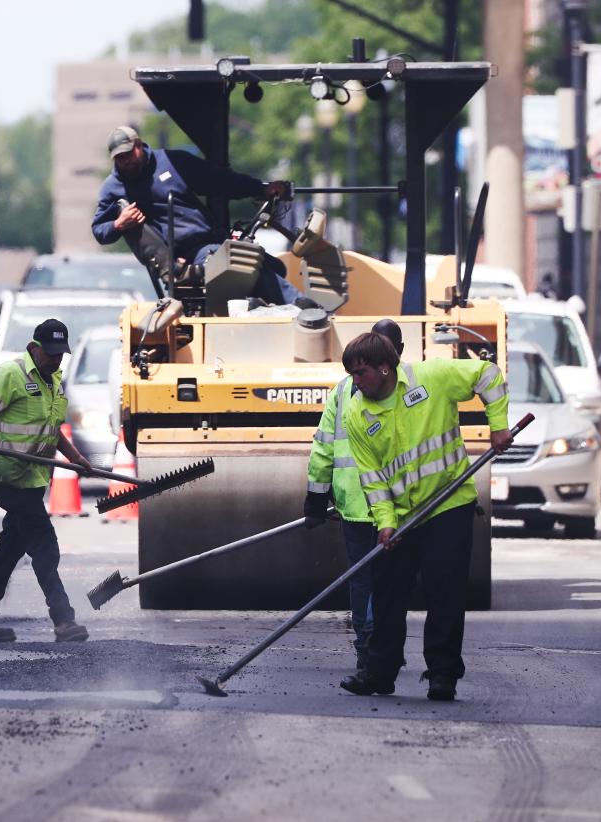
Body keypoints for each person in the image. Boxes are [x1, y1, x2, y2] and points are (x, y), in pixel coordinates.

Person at [337, 332, 511, 702]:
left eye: (361, 372)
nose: (356, 381)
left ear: (385, 368)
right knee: (386, 594)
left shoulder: (431, 377)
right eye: (351, 374)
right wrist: (385, 522)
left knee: (444, 590)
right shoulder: (356, 412)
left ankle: (442, 675)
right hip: (400, 517)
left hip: (447, 505)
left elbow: (488, 374)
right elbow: (372, 477)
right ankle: (380, 672)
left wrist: (498, 425)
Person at [0, 319, 92, 643]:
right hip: (8, 475)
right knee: (44, 545)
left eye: (61, 354)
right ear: (34, 348)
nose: (56, 359)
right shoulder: (11, 373)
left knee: (11, 547)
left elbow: (51, 429)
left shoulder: (55, 380)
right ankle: (64, 619)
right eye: (50, 353)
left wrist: (75, 458)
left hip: (34, 477)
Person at [91, 125, 305, 306]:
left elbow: (220, 181)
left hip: (212, 241)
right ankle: (302, 308)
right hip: (188, 255)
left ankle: (277, 313)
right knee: (241, 263)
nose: (126, 161)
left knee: (274, 266)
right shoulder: (114, 188)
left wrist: (260, 189)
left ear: (139, 145)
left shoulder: (172, 162)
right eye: (119, 158)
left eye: (128, 154)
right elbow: (100, 230)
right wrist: (118, 224)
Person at [304, 319, 405, 673]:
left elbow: (323, 447)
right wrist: (316, 498)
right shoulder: (405, 387)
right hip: (393, 506)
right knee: (389, 584)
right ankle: (381, 650)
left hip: (358, 507)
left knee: (364, 581)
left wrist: (316, 498)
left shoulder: (344, 389)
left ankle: (369, 651)